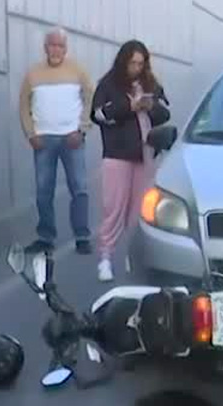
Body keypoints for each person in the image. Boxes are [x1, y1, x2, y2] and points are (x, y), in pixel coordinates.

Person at [90, 40, 171, 283]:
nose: (137, 67)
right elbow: (99, 114)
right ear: (123, 61)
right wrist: (129, 106)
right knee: (113, 208)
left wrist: (150, 105)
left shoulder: (150, 83)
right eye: (133, 63)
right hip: (117, 154)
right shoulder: (109, 84)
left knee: (139, 212)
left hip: (144, 154)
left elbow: (165, 112)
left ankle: (132, 255)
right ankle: (105, 258)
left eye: (141, 63)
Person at [18, 27, 95, 255]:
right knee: (43, 191)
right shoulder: (33, 74)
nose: (56, 50)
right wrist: (31, 134)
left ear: (66, 48)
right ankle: (45, 237)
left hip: (72, 139)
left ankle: (82, 236)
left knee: (79, 189)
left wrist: (81, 130)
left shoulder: (78, 70)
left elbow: (90, 98)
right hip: (43, 140)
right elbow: (23, 105)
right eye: (52, 45)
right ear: (45, 48)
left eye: (60, 45)